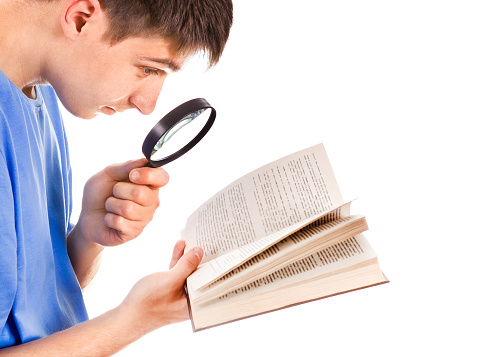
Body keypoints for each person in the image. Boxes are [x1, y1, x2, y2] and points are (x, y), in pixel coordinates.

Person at [0, 0, 233, 354]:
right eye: (148, 69)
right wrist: (136, 319)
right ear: (80, 18)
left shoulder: (39, 87)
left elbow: (24, 317)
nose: (147, 104)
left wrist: (86, 239)